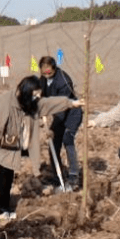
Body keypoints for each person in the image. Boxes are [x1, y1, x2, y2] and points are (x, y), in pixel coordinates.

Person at [0, 75, 82, 219]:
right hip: (0, 149)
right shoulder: (6, 101)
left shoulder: (32, 104)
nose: (37, 98)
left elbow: (49, 103)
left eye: (38, 95)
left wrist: (71, 103)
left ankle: (5, 209)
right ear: (26, 91)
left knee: (7, 181)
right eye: (34, 94)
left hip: (13, 149)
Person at [38, 55, 82, 191]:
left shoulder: (64, 81)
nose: (46, 75)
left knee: (67, 139)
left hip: (71, 113)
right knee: (53, 143)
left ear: (54, 68)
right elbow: (40, 95)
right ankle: (58, 175)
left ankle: (74, 176)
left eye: (49, 72)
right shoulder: (43, 79)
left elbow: (63, 106)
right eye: (44, 72)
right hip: (58, 114)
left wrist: (51, 125)